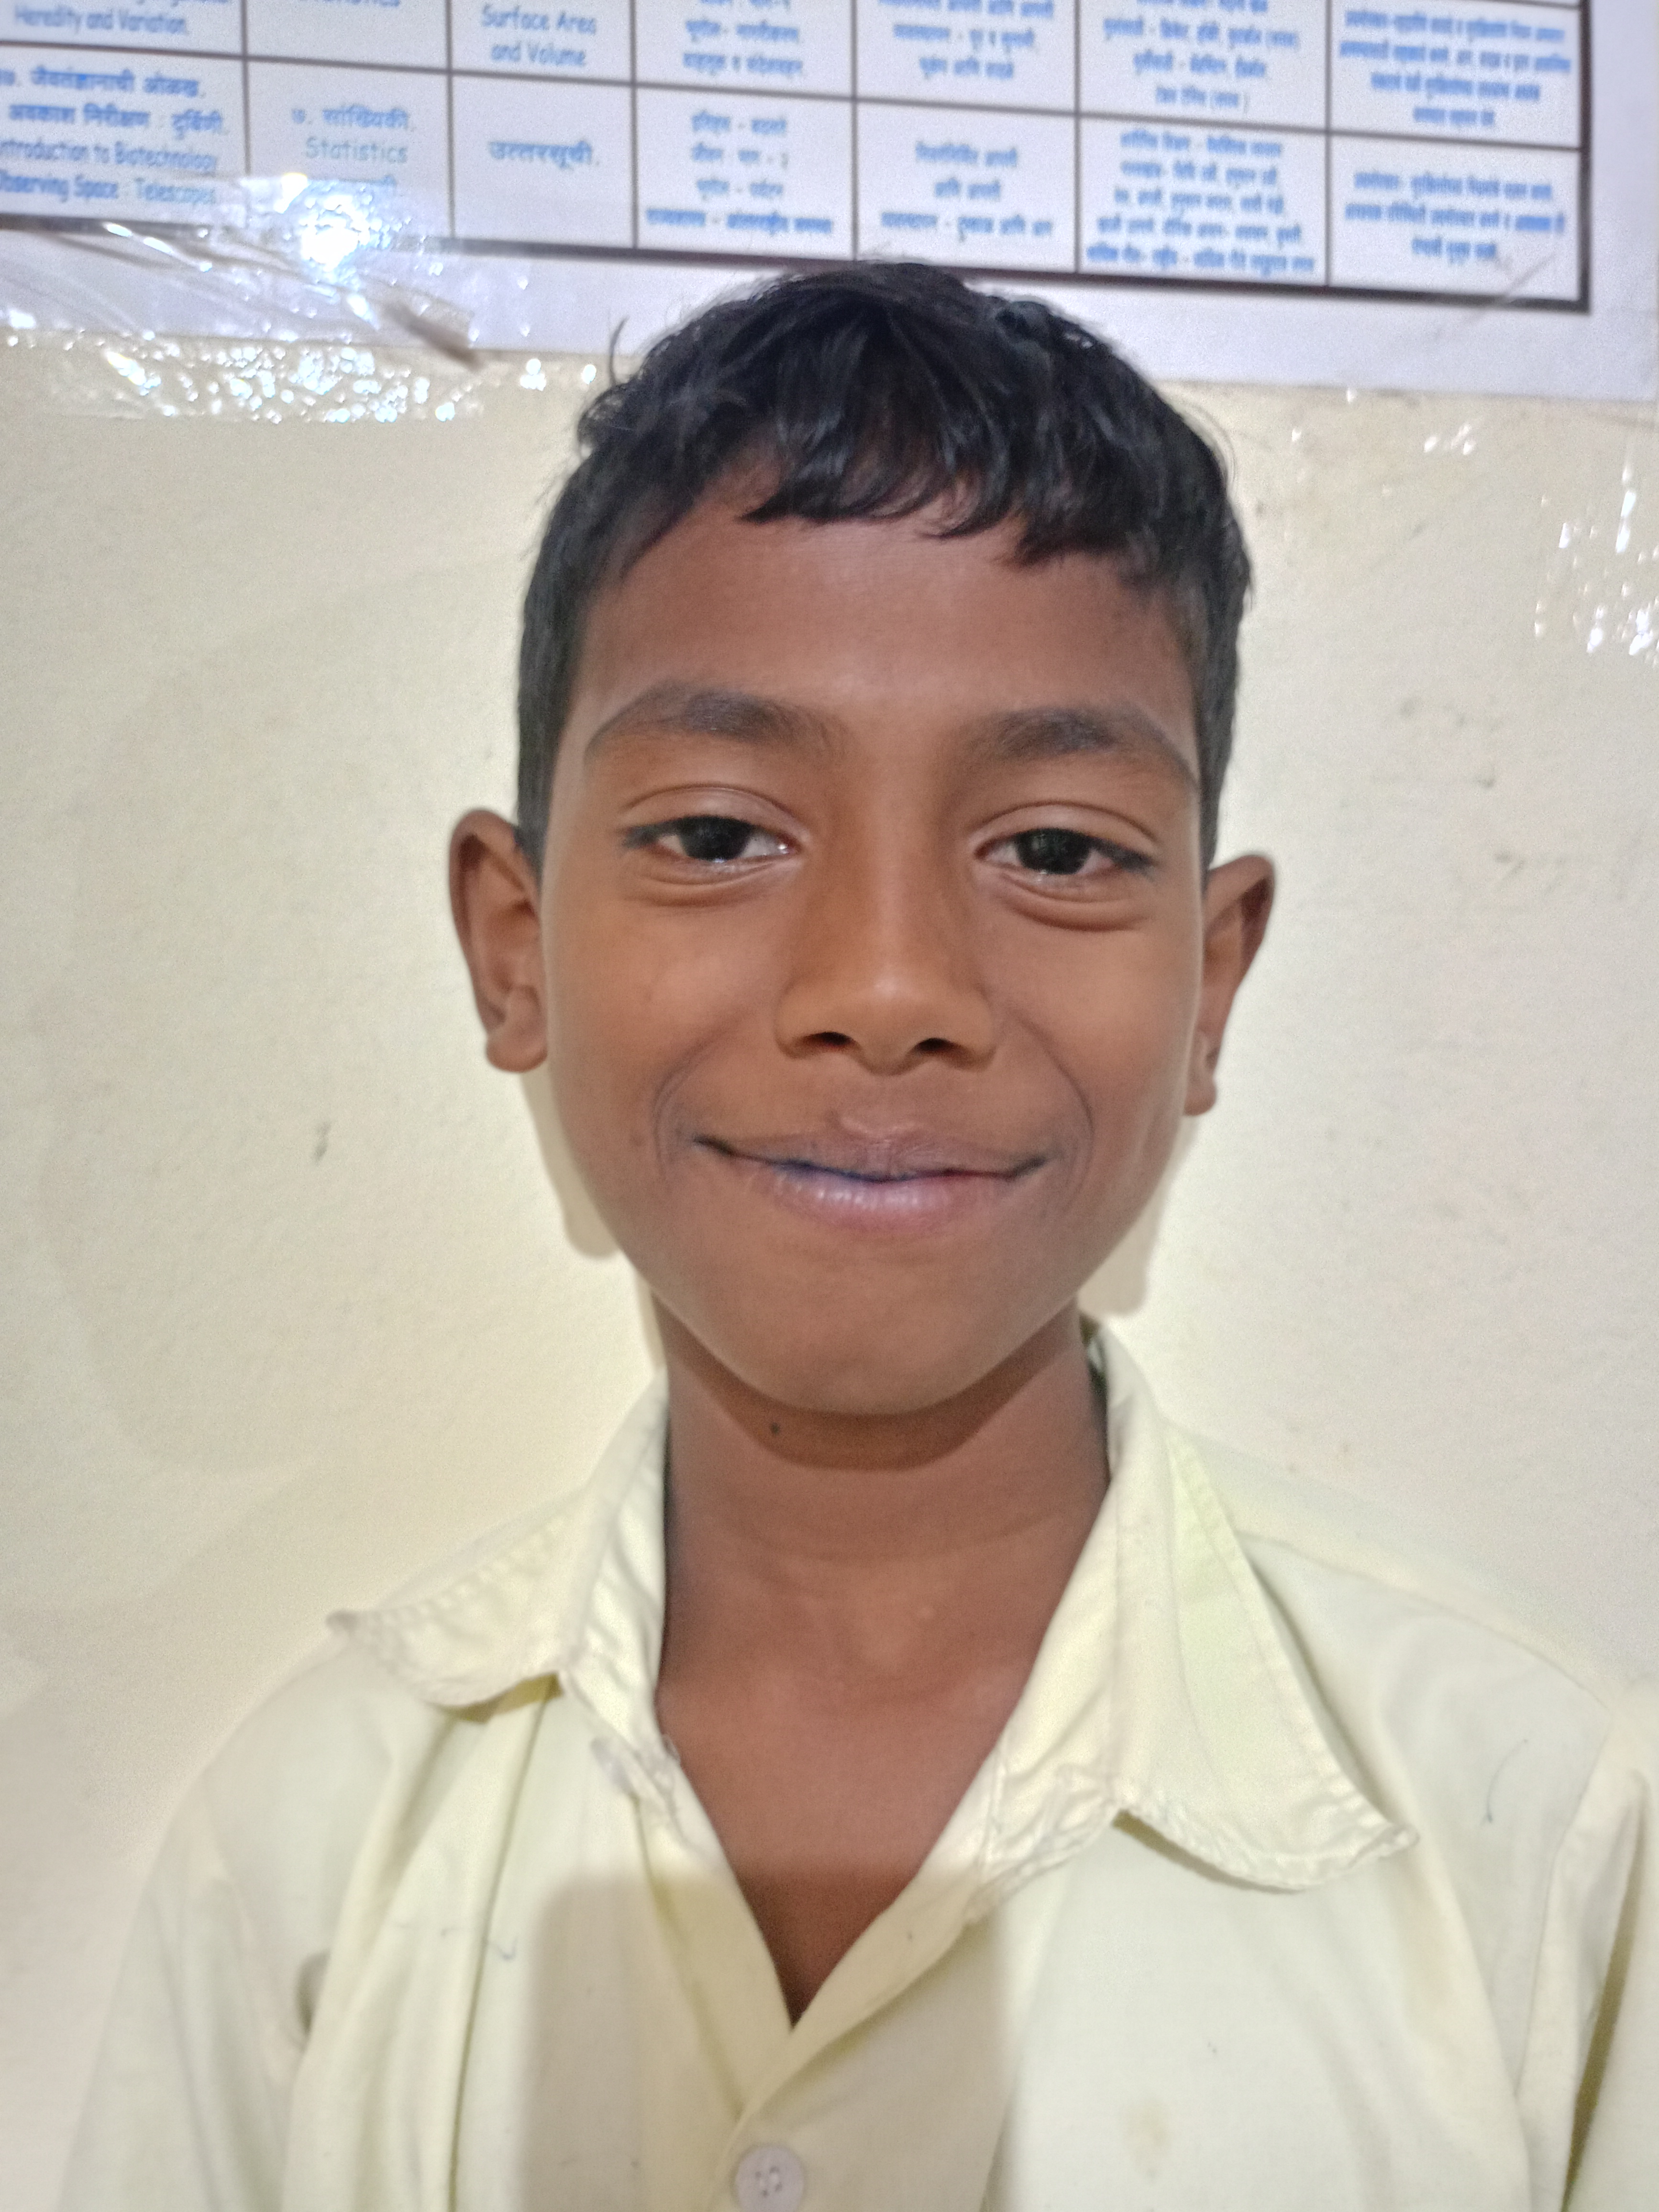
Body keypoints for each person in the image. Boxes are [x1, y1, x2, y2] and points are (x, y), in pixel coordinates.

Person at [60, 263, 1656, 2211]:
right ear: (514, 946)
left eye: (1054, 850)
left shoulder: (1542, 1835)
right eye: (718, 834)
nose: (888, 989)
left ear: (1213, 981)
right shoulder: (315, 1845)